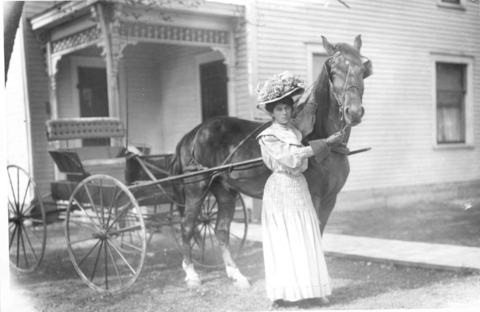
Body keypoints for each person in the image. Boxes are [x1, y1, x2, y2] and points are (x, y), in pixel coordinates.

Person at [256, 72, 344, 309]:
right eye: (279, 109)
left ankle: (310, 291)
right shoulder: (267, 136)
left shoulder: (293, 130)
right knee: (286, 239)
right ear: (272, 113)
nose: (284, 113)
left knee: (305, 235)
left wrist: (314, 98)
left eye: (287, 108)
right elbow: (291, 157)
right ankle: (285, 294)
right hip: (281, 188)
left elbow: (306, 121)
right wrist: (325, 143)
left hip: (299, 187)